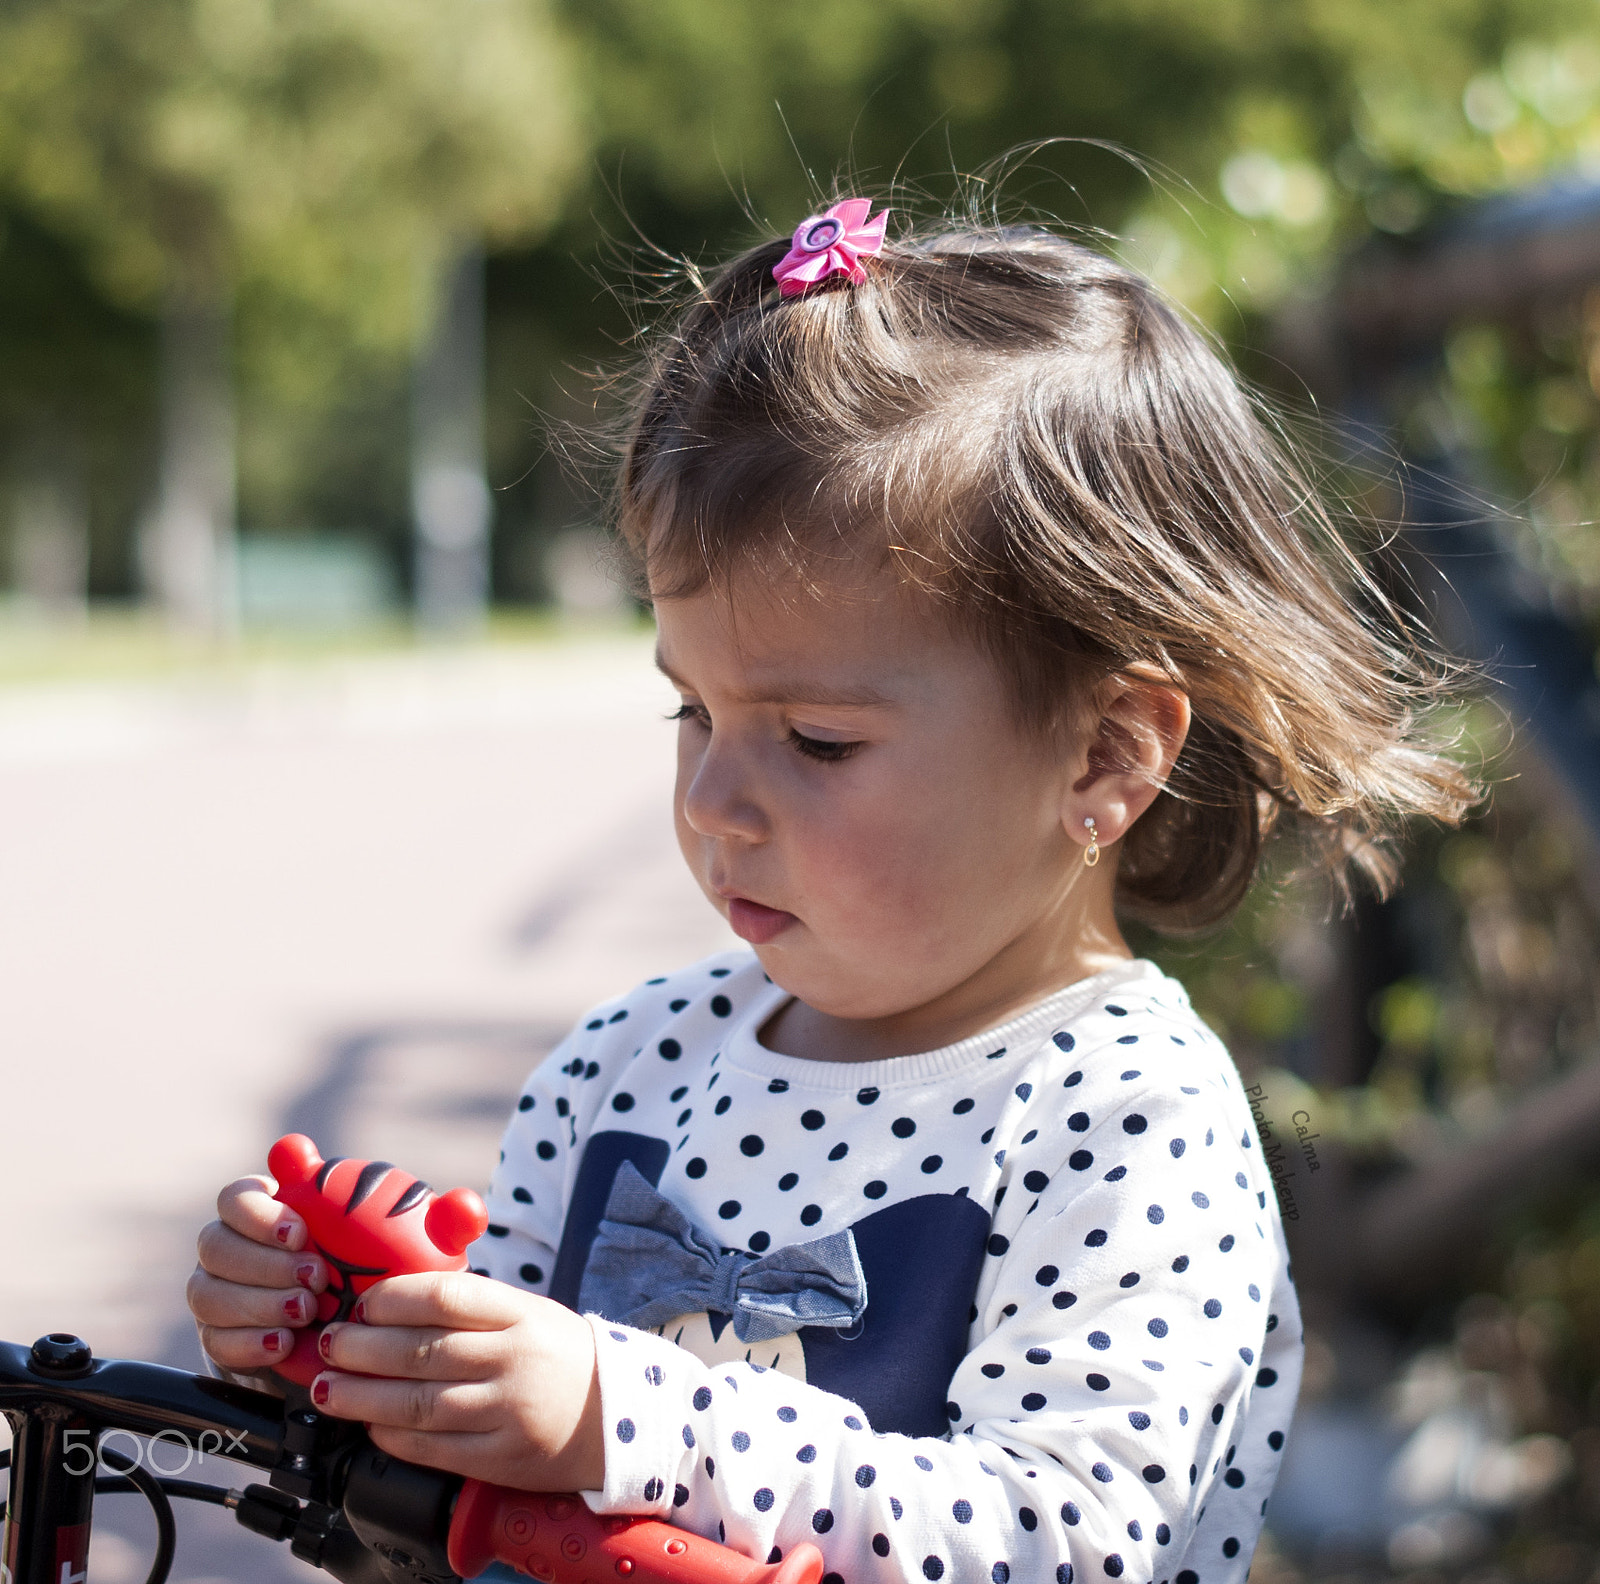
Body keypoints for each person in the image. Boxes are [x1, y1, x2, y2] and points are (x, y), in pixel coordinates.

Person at [186, 198, 1477, 1584]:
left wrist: (630, 1419)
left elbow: (1077, 1540)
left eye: (815, 741)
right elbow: (465, 1485)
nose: (712, 801)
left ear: (1103, 756)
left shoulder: (1123, 1115)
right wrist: (348, 1344)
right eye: (691, 713)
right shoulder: (628, 1068)